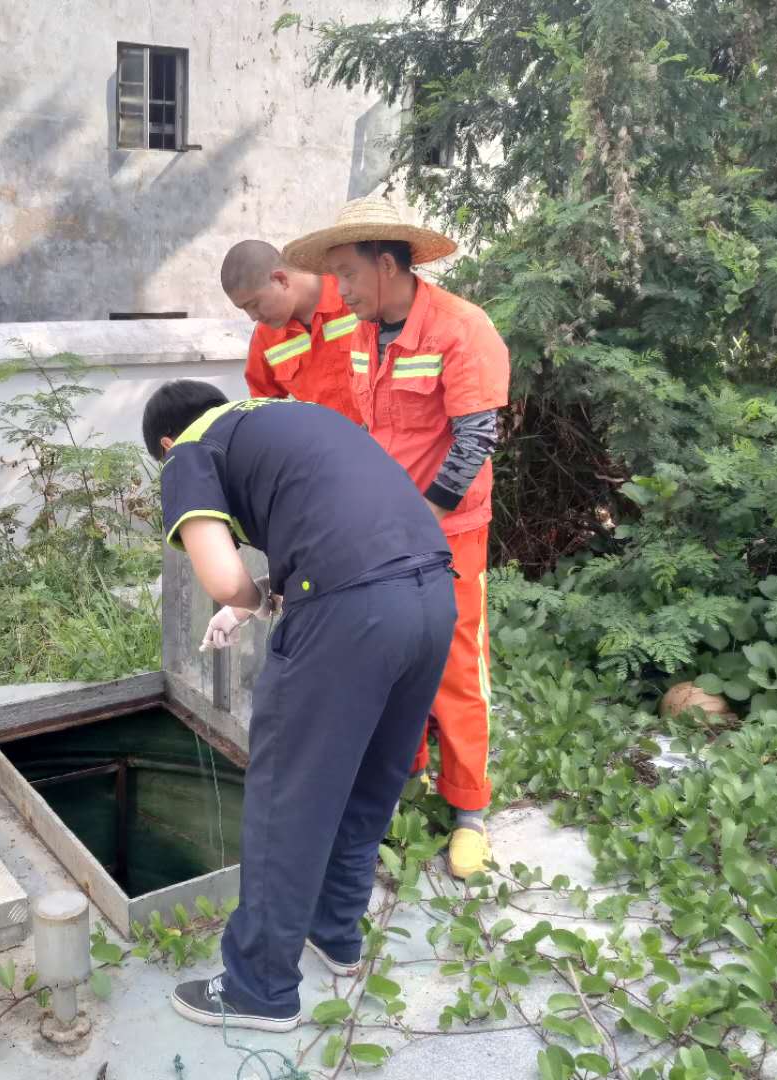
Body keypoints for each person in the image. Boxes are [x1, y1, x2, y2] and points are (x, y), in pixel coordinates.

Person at [142, 380, 457, 1031]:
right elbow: (336, 533)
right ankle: (336, 931)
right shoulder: (289, 417)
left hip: (352, 614)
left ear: (167, 443)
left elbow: (221, 575)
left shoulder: (188, 451)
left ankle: (258, 985)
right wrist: (249, 605)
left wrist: (247, 601)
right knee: (369, 779)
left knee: (286, 795)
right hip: (431, 596)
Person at [283, 196, 510, 880]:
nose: (341, 290)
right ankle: (403, 775)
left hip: (451, 531)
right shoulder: (359, 336)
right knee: (386, 654)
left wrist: (420, 518)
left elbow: (475, 441)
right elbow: (363, 430)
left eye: (348, 274)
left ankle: (470, 811)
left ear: (387, 265)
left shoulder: (462, 329)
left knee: (455, 664)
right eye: (334, 277)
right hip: (386, 530)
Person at [220, 239, 363, 424]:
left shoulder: (353, 293)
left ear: (281, 279)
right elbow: (265, 410)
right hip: (322, 442)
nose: (252, 317)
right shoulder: (265, 338)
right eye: (244, 309)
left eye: (254, 304)